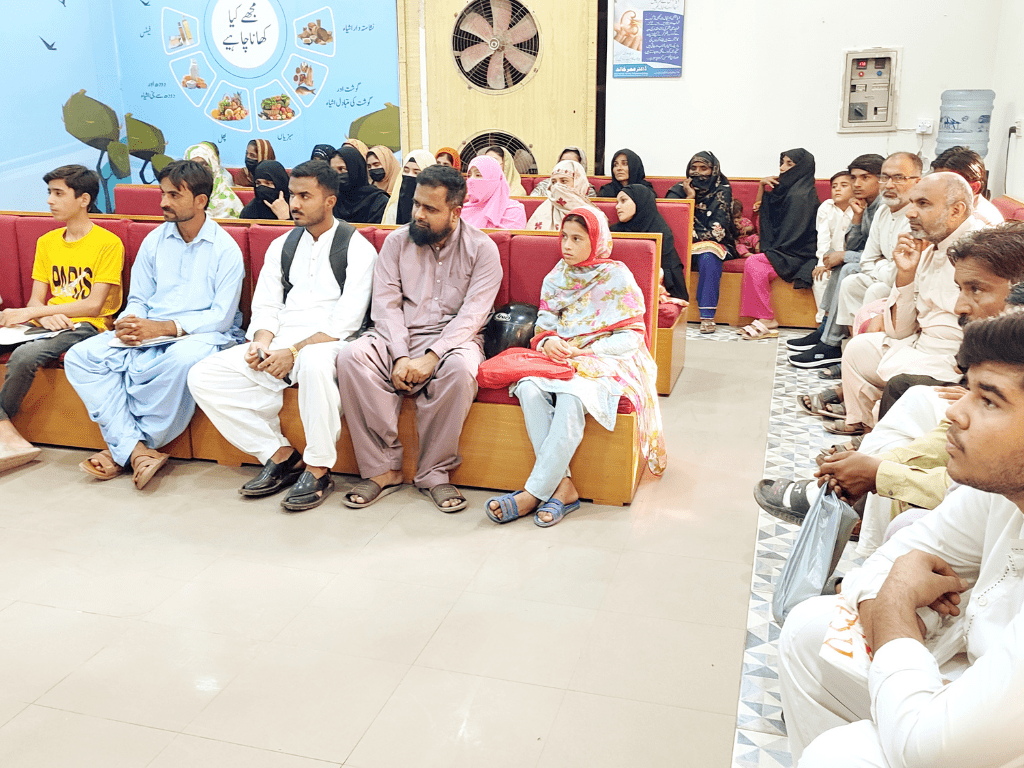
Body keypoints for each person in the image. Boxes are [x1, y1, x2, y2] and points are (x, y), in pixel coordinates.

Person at [777, 309, 1024, 768]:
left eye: (989, 400)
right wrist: (891, 598)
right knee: (811, 628)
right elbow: (883, 565)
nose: (954, 411)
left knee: (839, 756)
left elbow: (925, 751)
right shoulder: (1000, 492)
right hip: (980, 687)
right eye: (968, 389)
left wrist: (895, 607)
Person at [755, 224, 1024, 555]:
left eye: (976, 290)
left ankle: (857, 514)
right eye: (960, 290)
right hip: (930, 351)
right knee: (910, 395)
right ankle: (855, 494)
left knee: (908, 398)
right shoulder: (927, 250)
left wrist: (881, 472)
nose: (959, 306)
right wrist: (876, 463)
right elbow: (901, 324)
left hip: (946, 360)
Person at [189, 160, 377, 512]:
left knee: (314, 363)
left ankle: (318, 468)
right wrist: (260, 344)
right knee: (203, 375)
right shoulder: (281, 246)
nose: (294, 204)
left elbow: (347, 322)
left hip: (333, 345)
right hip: (281, 343)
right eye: (292, 195)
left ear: (330, 201)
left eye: (305, 196)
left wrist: (293, 351)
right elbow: (266, 306)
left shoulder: (358, 248)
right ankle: (278, 453)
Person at [65, 160, 244, 489]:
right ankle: (137, 452)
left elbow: (220, 317)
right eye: (163, 193)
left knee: (182, 359)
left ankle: (123, 449)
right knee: (80, 356)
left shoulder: (225, 249)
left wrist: (164, 328)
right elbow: (138, 297)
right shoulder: (154, 241)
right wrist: (129, 322)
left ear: (201, 201)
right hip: (148, 330)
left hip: (201, 334)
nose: (163, 202)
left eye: (174, 195)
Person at [485, 208, 667, 526]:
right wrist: (548, 343)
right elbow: (544, 327)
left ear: (596, 241)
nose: (567, 246)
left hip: (607, 358)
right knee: (527, 387)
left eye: (577, 239)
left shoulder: (617, 277)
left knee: (571, 396)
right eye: (564, 237)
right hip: (563, 356)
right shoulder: (557, 277)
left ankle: (533, 492)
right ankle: (563, 487)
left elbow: (631, 337)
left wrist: (585, 351)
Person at [335, 165, 501, 512]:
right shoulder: (396, 243)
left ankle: (434, 473)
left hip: (454, 340)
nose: (418, 215)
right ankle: (383, 468)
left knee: (461, 370)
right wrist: (400, 356)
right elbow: (386, 306)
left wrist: (431, 356)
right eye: (416, 204)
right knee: (351, 357)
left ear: (455, 213)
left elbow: (472, 316)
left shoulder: (482, 249)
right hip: (397, 334)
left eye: (430, 208)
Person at [815, 173, 984, 437]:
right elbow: (900, 331)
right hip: (920, 345)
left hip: (953, 359)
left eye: (923, 204)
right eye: (912, 203)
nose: (910, 213)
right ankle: (862, 423)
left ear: (956, 210)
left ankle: (877, 436)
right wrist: (906, 275)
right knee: (859, 349)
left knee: (898, 379)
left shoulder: (981, 251)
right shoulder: (932, 247)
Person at [0, 165, 123, 472]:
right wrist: (44, 316)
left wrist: (36, 313)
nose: (50, 201)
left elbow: (94, 305)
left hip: (88, 326)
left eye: (58, 193)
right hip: (48, 322)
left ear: (84, 199)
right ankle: (6, 433)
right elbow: (36, 300)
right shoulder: (48, 241)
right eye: (49, 193)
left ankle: (5, 432)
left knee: (24, 356)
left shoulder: (108, 243)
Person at [788, 153, 885, 368]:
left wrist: (844, 255)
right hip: (872, 264)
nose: (857, 184)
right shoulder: (866, 206)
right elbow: (855, 246)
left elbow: (880, 256)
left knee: (847, 266)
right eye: (854, 178)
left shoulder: (885, 207)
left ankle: (831, 342)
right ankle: (825, 328)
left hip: (885, 269)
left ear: (881, 180)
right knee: (841, 262)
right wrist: (857, 219)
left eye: (865, 178)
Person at [738, 148, 820, 339]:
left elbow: (796, 234)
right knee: (756, 263)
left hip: (799, 253)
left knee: (755, 261)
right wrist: (761, 186)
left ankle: (766, 317)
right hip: (786, 249)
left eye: (789, 164)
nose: (782, 168)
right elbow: (763, 211)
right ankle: (765, 317)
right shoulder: (789, 190)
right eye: (782, 163)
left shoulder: (802, 195)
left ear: (801, 168)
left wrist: (772, 250)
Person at [669, 151, 735, 333]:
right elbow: (673, 222)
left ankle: (707, 316)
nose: (697, 173)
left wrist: (695, 238)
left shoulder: (722, 190)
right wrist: (690, 198)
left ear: (713, 170)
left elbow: (719, 231)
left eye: (703, 168)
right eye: (694, 168)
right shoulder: (678, 190)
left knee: (708, 255)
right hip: (683, 242)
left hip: (716, 243)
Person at [611, 184, 689, 302]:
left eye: (623, 201)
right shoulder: (613, 232)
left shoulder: (661, 231)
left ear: (640, 201)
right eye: (617, 202)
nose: (617, 206)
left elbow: (672, 276)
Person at [810, 171, 854, 322]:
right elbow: (823, 238)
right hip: (831, 256)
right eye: (834, 186)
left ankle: (843, 323)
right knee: (820, 277)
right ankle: (823, 322)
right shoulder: (826, 207)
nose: (837, 189)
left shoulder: (859, 208)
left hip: (851, 256)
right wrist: (823, 263)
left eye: (843, 185)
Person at [931, 145, 1004, 226]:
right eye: (936, 181)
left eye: (948, 184)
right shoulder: (954, 206)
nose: (939, 189)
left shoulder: (980, 221)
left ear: (974, 187)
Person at [460, 155, 527, 230]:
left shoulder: (513, 211)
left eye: (478, 175)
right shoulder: (461, 210)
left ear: (494, 179)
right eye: (469, 175)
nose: (471, 180)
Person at [525, 160, 593, 231]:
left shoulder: (591, 214)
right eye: (554, 182)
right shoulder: (542, 210)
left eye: (564, 181)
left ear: (578, 183)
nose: (557, 186)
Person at [330, 145, 389, 224]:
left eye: (342, 169)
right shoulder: (332, 200)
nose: (337, 174)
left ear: (355, 169)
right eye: (332, 170)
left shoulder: (378, 201)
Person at [183, 143, 243, 219]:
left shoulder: (230, 202)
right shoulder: (179, 198)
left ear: (214, 167)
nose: (199, 170)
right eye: (193, 165)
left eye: (204, 164)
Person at [382, 150, 436, 225]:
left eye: (416, 172)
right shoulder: (394, 207)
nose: (410, 175)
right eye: (406, 171)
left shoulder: (436, 209)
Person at [531, 147, 597, 197]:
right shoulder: (543, 186)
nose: (566, 165)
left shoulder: (587, 190)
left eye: (571, 163)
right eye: (563, 162)